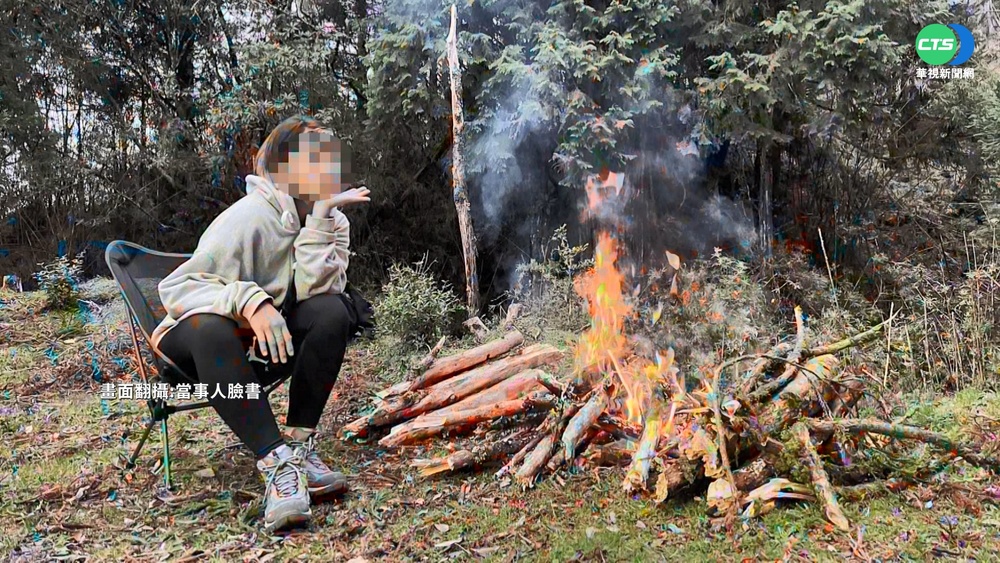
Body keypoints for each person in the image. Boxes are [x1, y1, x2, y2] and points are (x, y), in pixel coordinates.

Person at [149, 115, 370, 532]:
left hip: (262, 345)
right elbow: (179, 288)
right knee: (210, 327)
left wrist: (320, 217)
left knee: (332, 311)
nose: (328, 164)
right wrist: (251, 301)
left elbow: (313, 295)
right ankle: (276, 464)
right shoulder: (250, 216)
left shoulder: (334, 222)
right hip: (196, 345)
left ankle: (300, 450)